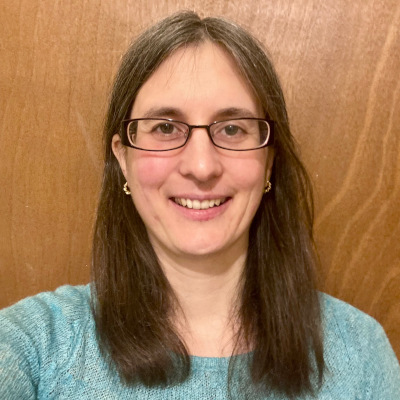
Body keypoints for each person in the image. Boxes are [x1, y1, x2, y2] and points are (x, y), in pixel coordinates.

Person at [0, 11, 399, 400]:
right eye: (165, 127)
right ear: (123, 158)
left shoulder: (359, 353)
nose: (202, 166)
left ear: (269, 162)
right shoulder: (36, 345)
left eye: (232, 129)